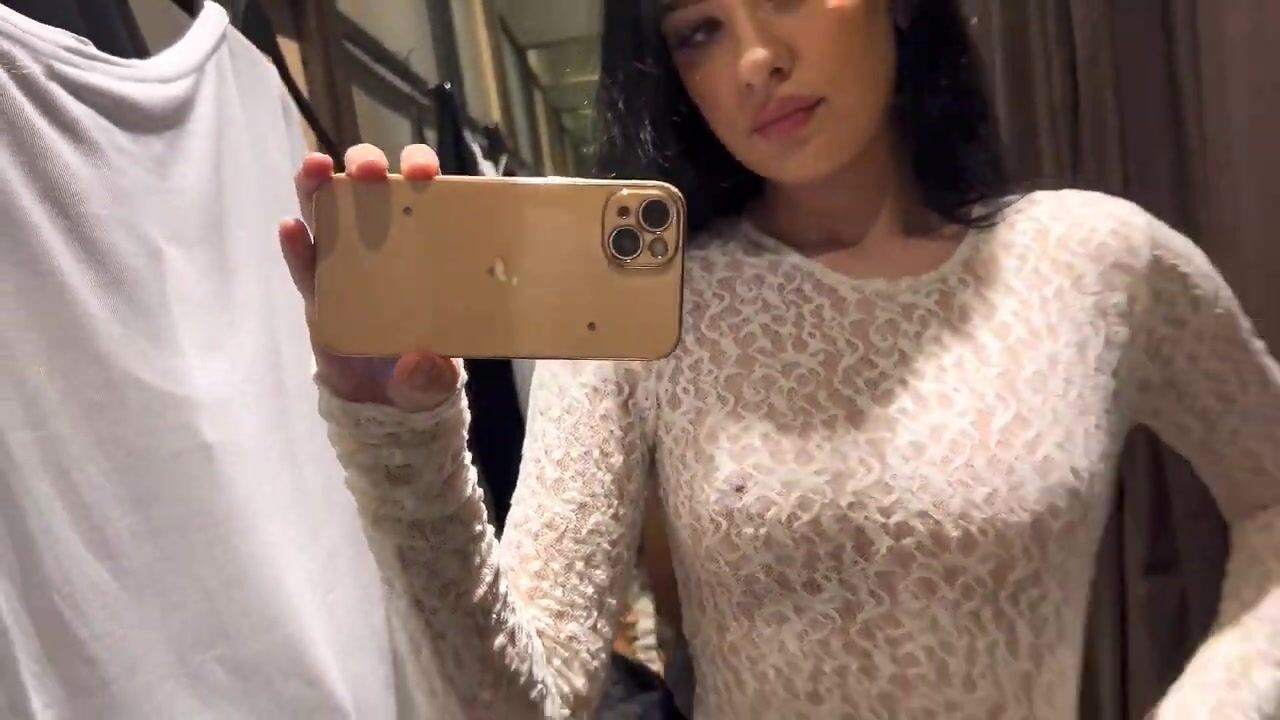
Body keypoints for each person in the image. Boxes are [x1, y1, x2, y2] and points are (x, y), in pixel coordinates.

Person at [277, 1, 1280, 718]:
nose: (754, 58)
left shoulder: (1095, 262)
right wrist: (400, 443)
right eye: (698, 31)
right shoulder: (643, 309)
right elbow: (524, 705)